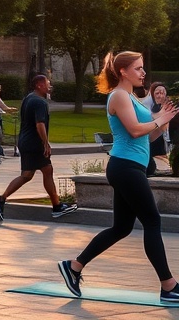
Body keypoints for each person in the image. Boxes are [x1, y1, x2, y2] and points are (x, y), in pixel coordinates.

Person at [58, 51, 179, 303]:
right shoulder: (119, 96)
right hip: (125, 167)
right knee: (153, 222)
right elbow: (135, 131)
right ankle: (168, 286)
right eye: (138, 68)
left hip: (130, 167)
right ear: (123, 71)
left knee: (121, 228)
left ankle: (74, 267)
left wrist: (163, 122)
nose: (143, 73)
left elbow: (147, 137)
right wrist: (160, 120)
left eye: (143, 68)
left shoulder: (132, 98)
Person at [0, 74, 77, 222]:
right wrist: (45, 143)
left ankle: (56, 206)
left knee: (31, 174)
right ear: (39, 85)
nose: (49, 85)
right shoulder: (39, 102)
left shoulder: (28, 98)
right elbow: (40, 124)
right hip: (34, 143)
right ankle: (2, 199)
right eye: (47, 83)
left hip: (26, 141)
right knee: (40, 172)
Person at [148, 82, 171, 175]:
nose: (160, 96)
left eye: (162, 93)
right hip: (152, 144)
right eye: (157, 93)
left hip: (164, 144)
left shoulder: (169, 107)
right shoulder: (149, 108)